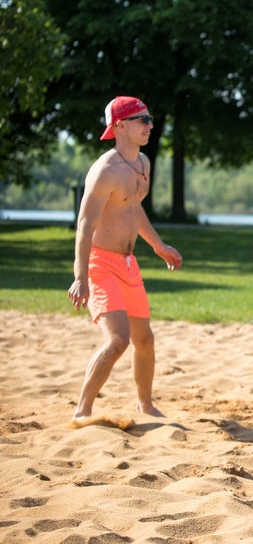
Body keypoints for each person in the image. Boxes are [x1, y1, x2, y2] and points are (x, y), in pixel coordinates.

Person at [67, 96, 183, 427]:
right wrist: (80, 277)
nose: (150, 125)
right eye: (142, 120)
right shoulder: (105, 170)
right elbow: (84, 225)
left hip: (128, 264)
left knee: (144, 340)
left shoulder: (142, 163)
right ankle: (82, 411)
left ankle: (145, 405)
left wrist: (158, 245)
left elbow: (133, 208)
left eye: (150, 118)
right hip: (100, 264)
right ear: (119, 126)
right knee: (118, 340)